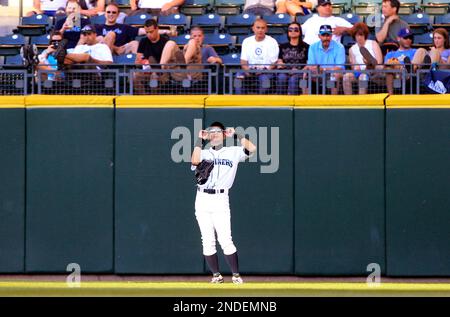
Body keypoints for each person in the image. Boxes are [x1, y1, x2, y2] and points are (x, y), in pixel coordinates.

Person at [191, 121, 257, 284]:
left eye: (217, 132)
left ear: (223, 135)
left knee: (225, 239)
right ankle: (216, 276)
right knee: (207, 240)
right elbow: (194, 161)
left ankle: (236, 276)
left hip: (220, 198)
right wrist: (200, 140)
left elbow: (252, 149)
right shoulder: (204, 153)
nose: (214, 134)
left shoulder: (233, 152)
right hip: (202, 199)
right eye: (211, 132)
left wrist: (236, 134)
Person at [133, 19, 201, 94]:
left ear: (157, 29)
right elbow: (137, 62)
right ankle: (142, 99)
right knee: (135, 75)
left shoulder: (165, 41)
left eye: (151, 32)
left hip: (163, 72)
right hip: (147, 69)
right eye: (147, 32)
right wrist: (143, 62)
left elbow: (169, 61)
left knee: (155, 75)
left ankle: (154, 100)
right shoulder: (143, 41)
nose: (149, 34)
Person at [236, 19, 279, 94]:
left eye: (263, 28)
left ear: (266, 29)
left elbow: (273, 63)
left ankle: (260, 103)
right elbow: (243, 61)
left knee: (264, 79)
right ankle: (240, 102)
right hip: (250, 70)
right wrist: (248, 70)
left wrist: (261, 71)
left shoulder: (272, 41)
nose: (260, 30)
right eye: (258, 27)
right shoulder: (247, 41)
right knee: (238, 76)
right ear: (253, 28)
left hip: (265, 72)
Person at [304, 24, 345, 94]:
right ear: (319, 36)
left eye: (328, 35)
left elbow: (339, 67)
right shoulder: (312, 47)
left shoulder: (339, 47)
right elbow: (311, 66)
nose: (326, 38)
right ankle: (305, 100)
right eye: (323, 35)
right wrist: (317, 69)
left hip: (332, 74)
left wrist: (324, 69)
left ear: (331, 36)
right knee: (305, 74)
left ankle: (332, 100)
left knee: (333, 75)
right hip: (317, 73)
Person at [343, 22, 383, 95]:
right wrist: (356, 67)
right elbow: (353, 67)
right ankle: (349, 101)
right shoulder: (352, 49)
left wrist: (369, 65)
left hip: (373, 71)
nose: (359, 37)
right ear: (354, 36)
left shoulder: (373, 43)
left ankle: (362, 101)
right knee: (346, 77)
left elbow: (379, 61)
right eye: (357, 35)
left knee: (363, 76)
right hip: (359, 72)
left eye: (361, 35)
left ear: (365, 35)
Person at [276, 22, 309, 95]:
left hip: (300, 72)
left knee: (293, 79)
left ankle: (293, 102)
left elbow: (308, 64)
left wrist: (299, 71)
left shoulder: (306, 47)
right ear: (288, 32)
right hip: (285, 71)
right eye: (290, 30)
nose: (293, 31)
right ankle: (281, 101)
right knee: (281, 77)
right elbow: (280, 61)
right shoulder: (282, 46)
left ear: (300, 32)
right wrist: (283, 66)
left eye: (296, 29)